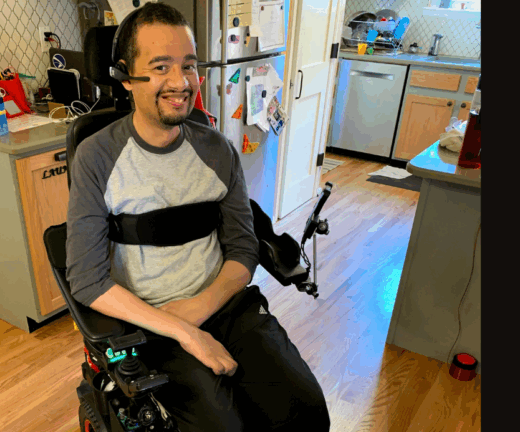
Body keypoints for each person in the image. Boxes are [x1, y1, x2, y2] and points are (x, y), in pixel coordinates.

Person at [65, 3, 330, 431]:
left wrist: (197, 310)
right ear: (126, 77)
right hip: (148, 325)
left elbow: (243, 247)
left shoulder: (217, 150)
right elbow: (87, 279)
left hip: (226, 306)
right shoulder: (97, 157)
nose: (180, 82)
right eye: (161, 67)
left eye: (188, 65)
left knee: (307, 412)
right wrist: (181, 329)